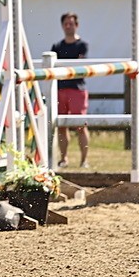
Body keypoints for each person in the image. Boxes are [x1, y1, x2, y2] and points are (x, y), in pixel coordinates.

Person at [52, 11, 89, 167]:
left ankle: (84, 160)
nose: (68, 26)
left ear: (77, 25)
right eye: (66, 24)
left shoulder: (82, 45)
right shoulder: (56, 46)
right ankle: (63, 158)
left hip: (77, 89)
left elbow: (79, 64)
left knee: (81, 126)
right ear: (62, 26)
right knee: (61, 126)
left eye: (71, 24)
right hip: (60, 88)